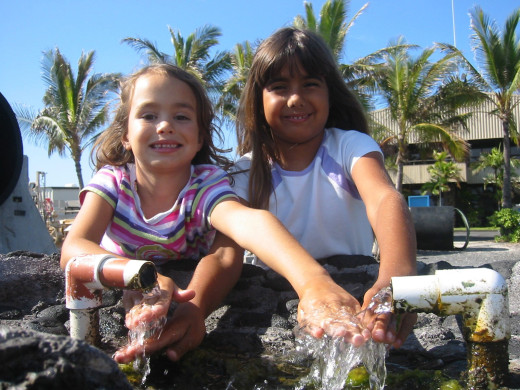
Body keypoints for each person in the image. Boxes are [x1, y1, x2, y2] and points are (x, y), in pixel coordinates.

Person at [60, 63, 367, 366]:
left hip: (186, 294)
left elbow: (244, 229)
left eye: (181, 116)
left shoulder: (206, 184)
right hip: (131, 287)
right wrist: (140, 278)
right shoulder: (113, 182)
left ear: (200, 137)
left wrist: (313, 282)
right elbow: (74, 249)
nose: (165, 125)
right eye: (148, 115)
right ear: (125, 134)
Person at [231, 27, 417, 349]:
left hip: (353, 293)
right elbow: (225, 250)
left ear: (330, 92)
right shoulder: (244, 172)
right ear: (257, 99)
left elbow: (385, 199)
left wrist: (393, 281)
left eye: (310, 84)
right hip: (274, 296)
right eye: (279, 87)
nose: (295, 99)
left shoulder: (350, 147)